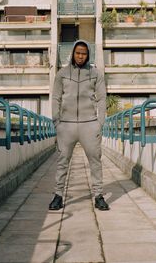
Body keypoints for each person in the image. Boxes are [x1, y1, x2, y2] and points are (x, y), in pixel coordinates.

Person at [49, 39, 109, 211]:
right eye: (78, 53)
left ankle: (98, 196)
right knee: (62, 161)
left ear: (88, 55)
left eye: (84, 53)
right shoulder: (62, 74)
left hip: (89, 124)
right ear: (73, 54)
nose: (80, 56)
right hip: (66, 125)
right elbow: (55, 98)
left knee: (95, 161)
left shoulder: (96, 74)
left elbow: (102, 98)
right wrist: (56, 121)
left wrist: (100, 123)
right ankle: (58, 196)